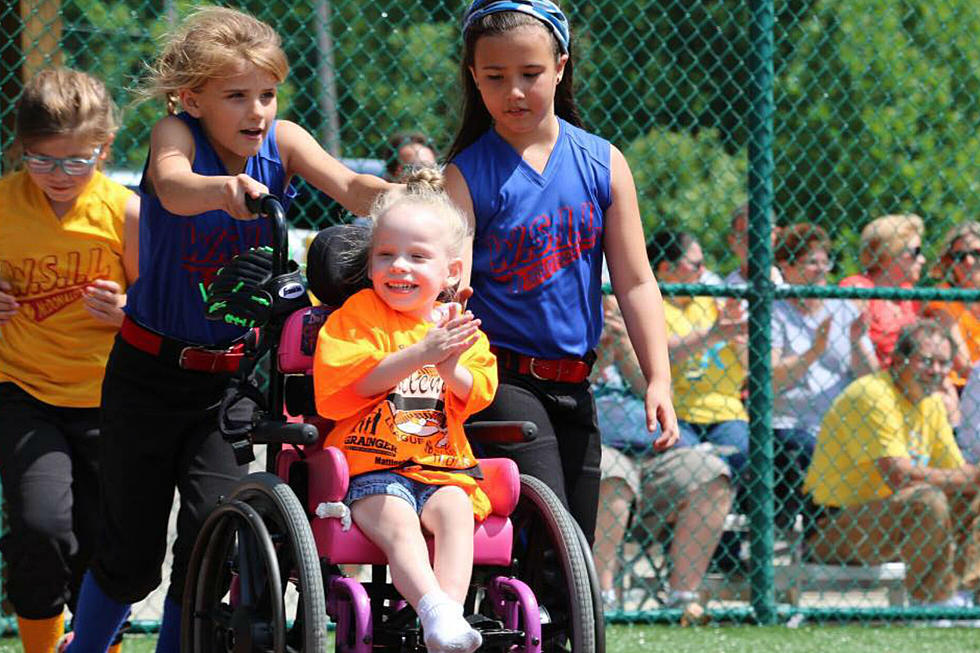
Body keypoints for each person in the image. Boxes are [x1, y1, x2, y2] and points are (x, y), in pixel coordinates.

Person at [62, 7, 396, 653]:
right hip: (149, 374)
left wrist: (408, 195)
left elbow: (352, 184)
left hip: (233, 379)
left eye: (266, 94)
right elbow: (172, 183)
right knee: (129, 551)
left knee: (207, 536)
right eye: (236, 95)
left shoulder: (287, 142)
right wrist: (223, 191)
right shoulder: (176, 133)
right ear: (193, 98)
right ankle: (86, 646)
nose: (258, 111)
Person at [444, 0, 678, 546]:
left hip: (576, 382)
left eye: (531, 74)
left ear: (561, 68)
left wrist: (658, 377)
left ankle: (543, 631)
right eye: (496, 78)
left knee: (573, 550)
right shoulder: (467, 174)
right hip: (499, 381)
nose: (515, 92)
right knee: (553, 541)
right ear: (474, 78)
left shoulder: (603, 162)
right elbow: (452, 288)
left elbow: (637, 281)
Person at [313, 169, 494, 653]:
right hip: (373, 462)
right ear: (370, 262)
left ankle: (447, 623)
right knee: (397, 520)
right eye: (386, 255)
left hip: (441, 466)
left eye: (417, 257)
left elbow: (478, 391)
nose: (400, 267)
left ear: (451, 272)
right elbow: (348, 385)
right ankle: (436, 611)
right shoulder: (355, 317)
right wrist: (420, 354)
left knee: (456, 510)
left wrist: (452, 365)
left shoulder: (457, 325)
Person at [0, 67, 138, 653]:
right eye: (42, 160)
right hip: (24, 388)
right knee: (41, 528)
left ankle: (95, 643)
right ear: (21, 149)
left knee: (102, 536)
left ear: (105, 149)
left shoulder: (124, 212)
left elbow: (156, 313)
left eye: (77, 161)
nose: (59, 175)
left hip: (109, 395)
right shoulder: (5, 205)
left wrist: (124, 311)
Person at [804, 319, 980, 607]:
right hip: (834, 526)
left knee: (972, 498)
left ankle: (966, 595)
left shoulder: (931, 402)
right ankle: (932, 606)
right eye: (926, 361)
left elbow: (958, 474)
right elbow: (899, 477)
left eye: (943, 363)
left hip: (893, 515)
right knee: (927, 499)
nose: (935, 371)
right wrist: (971, 476)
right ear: (898, 360)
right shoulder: (873, 395)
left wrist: (971, 479)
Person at [593, 296, 733, 612]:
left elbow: (659, 398)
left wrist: (625, 349)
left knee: (710, 471)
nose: (609, 315)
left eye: (615, 310)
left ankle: (683, 599)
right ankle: (602, 598)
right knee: (610, 472)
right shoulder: (567, 343)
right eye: (602, 308)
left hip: (655, 454)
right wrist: (598, 357)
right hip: (601, 451)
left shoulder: (640, 345)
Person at [770, 224, 878, 522]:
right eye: (811, 262)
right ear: (786, 267)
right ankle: (822, 541)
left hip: (841, 422)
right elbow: (769, 379)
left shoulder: (842, 307)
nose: (821, 270)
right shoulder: (774, 311)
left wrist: (856, 342)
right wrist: (813, 352)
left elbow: (871, 377)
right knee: (814, 450)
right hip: (789, 424)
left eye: (825, 261)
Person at [646, 230, 748, 481]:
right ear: (666, 267)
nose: (704, 271)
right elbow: (661, 354)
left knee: (741, 453)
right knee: (690, 465)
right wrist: (713, 334)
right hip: (677, 413)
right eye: (696, 264)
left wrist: (737, 330)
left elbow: (748, 364)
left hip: (727, 413)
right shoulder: (650, 305)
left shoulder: (713, 300)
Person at [839, 213, 925, 367]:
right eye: (916, 252)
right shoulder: (858, 288)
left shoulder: (909, 295)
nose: (922, 259)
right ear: (890, 252)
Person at [925, 221, 980, 388]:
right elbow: (963, 365)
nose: (969, 261)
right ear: (949, 262)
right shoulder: (944, 297)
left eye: (977, 253)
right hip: (963, 388)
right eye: (959, 256)